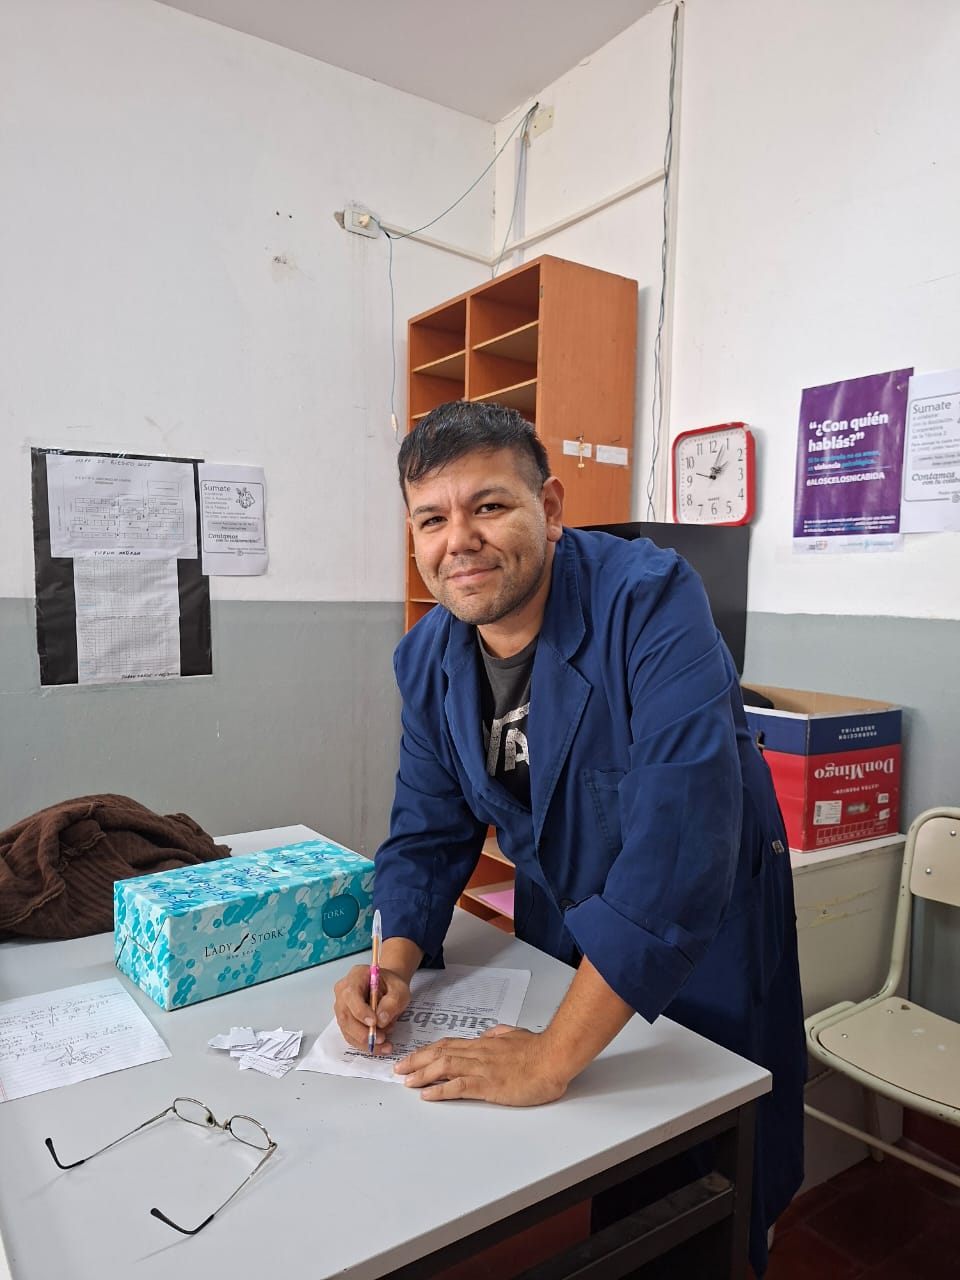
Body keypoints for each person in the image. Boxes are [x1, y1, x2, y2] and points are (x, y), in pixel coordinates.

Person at [333, 400, 805, 1275]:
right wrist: (391, 965)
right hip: (569, 909)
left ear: (549, 508)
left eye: (489, 506)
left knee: (706, 1164)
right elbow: (427, 830)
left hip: (702, 922)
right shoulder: (428, 657)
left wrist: (552, 1056)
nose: (459, 541)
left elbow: (680, 843)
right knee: (594, 1154)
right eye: (432, 519)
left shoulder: (650, 600)